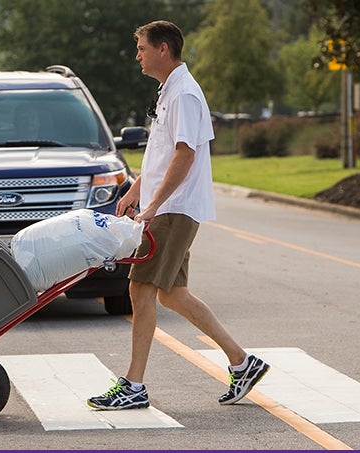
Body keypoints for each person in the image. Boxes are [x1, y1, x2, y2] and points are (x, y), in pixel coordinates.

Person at [87, 20, 270, 410]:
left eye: (141, 48)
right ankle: (243, 361)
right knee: (173, 294)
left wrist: (153, 205)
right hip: (166, 206)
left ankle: (133, 385)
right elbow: (162, 149)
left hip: (173, 209)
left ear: (163, 49)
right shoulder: (169, 90)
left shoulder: (185, 93)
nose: (137, 55)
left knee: (139, 288)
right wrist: (137, 189)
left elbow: (185, 154)